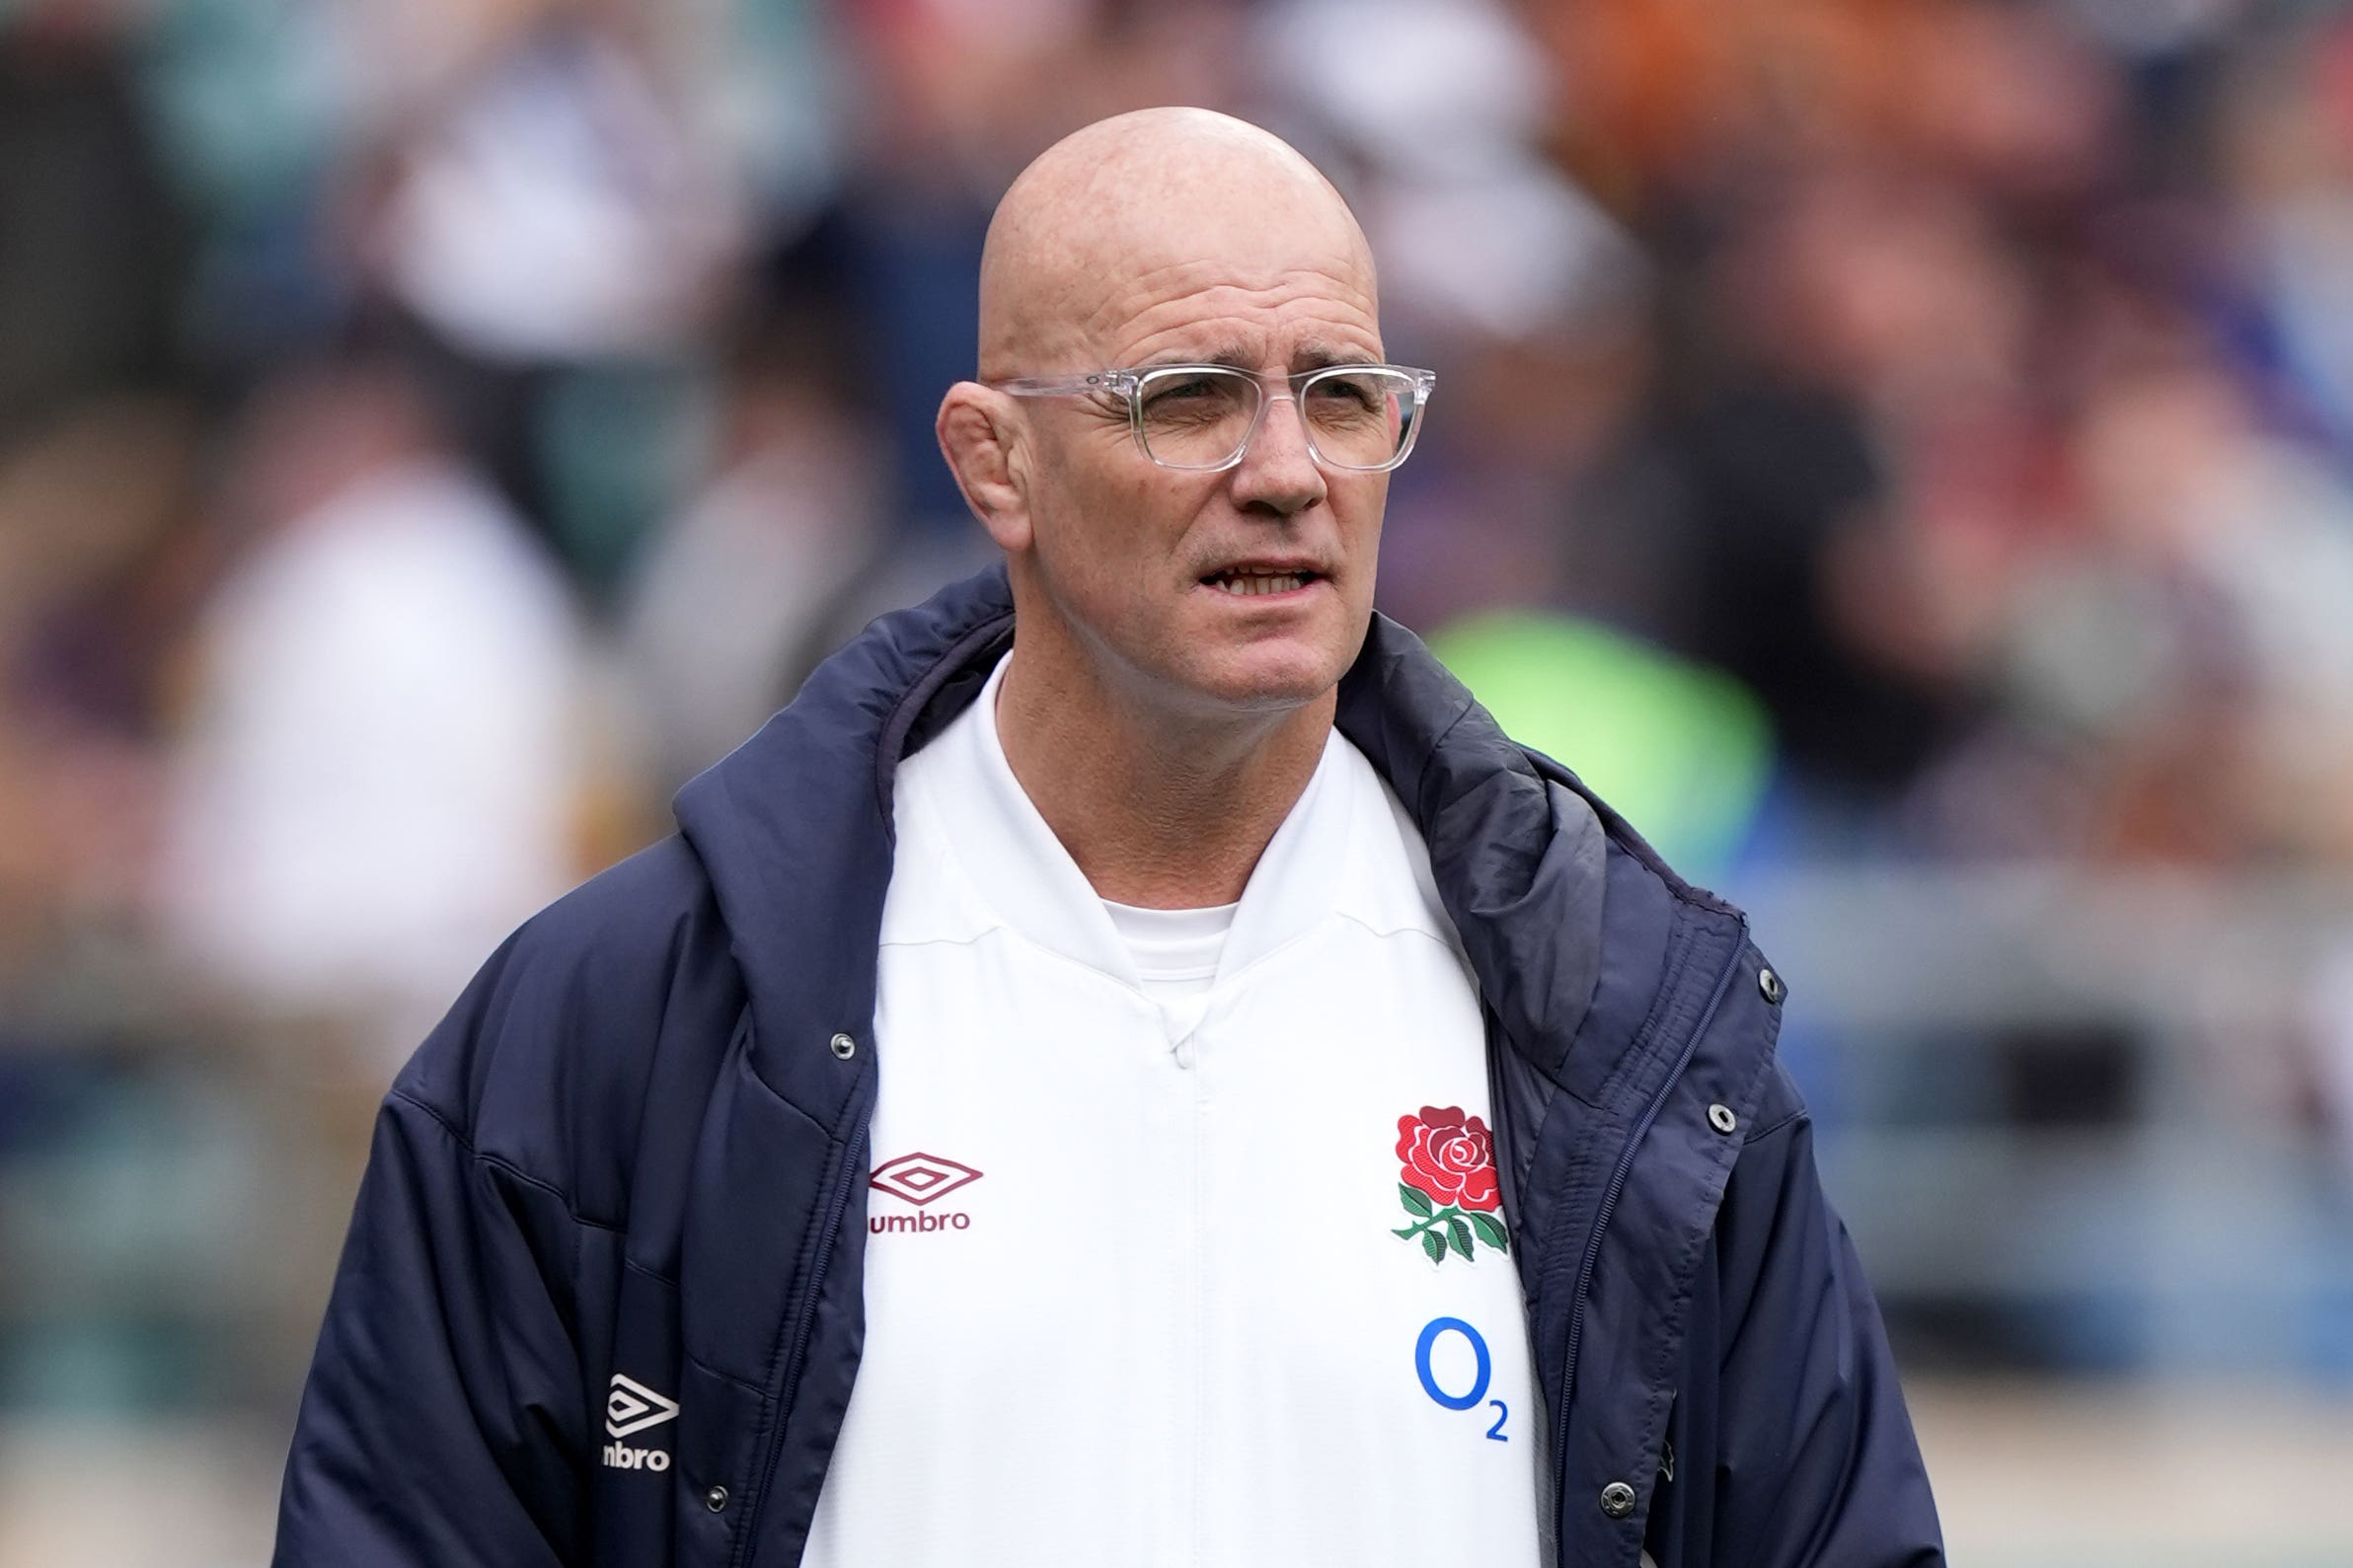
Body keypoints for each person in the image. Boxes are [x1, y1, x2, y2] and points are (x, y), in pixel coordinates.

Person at [273, 108, 1944, 1567]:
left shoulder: (1621, 1017)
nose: (1288, 470)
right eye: (1193, 395)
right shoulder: (617, 1030)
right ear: (993, 463)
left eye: (1345, 394)